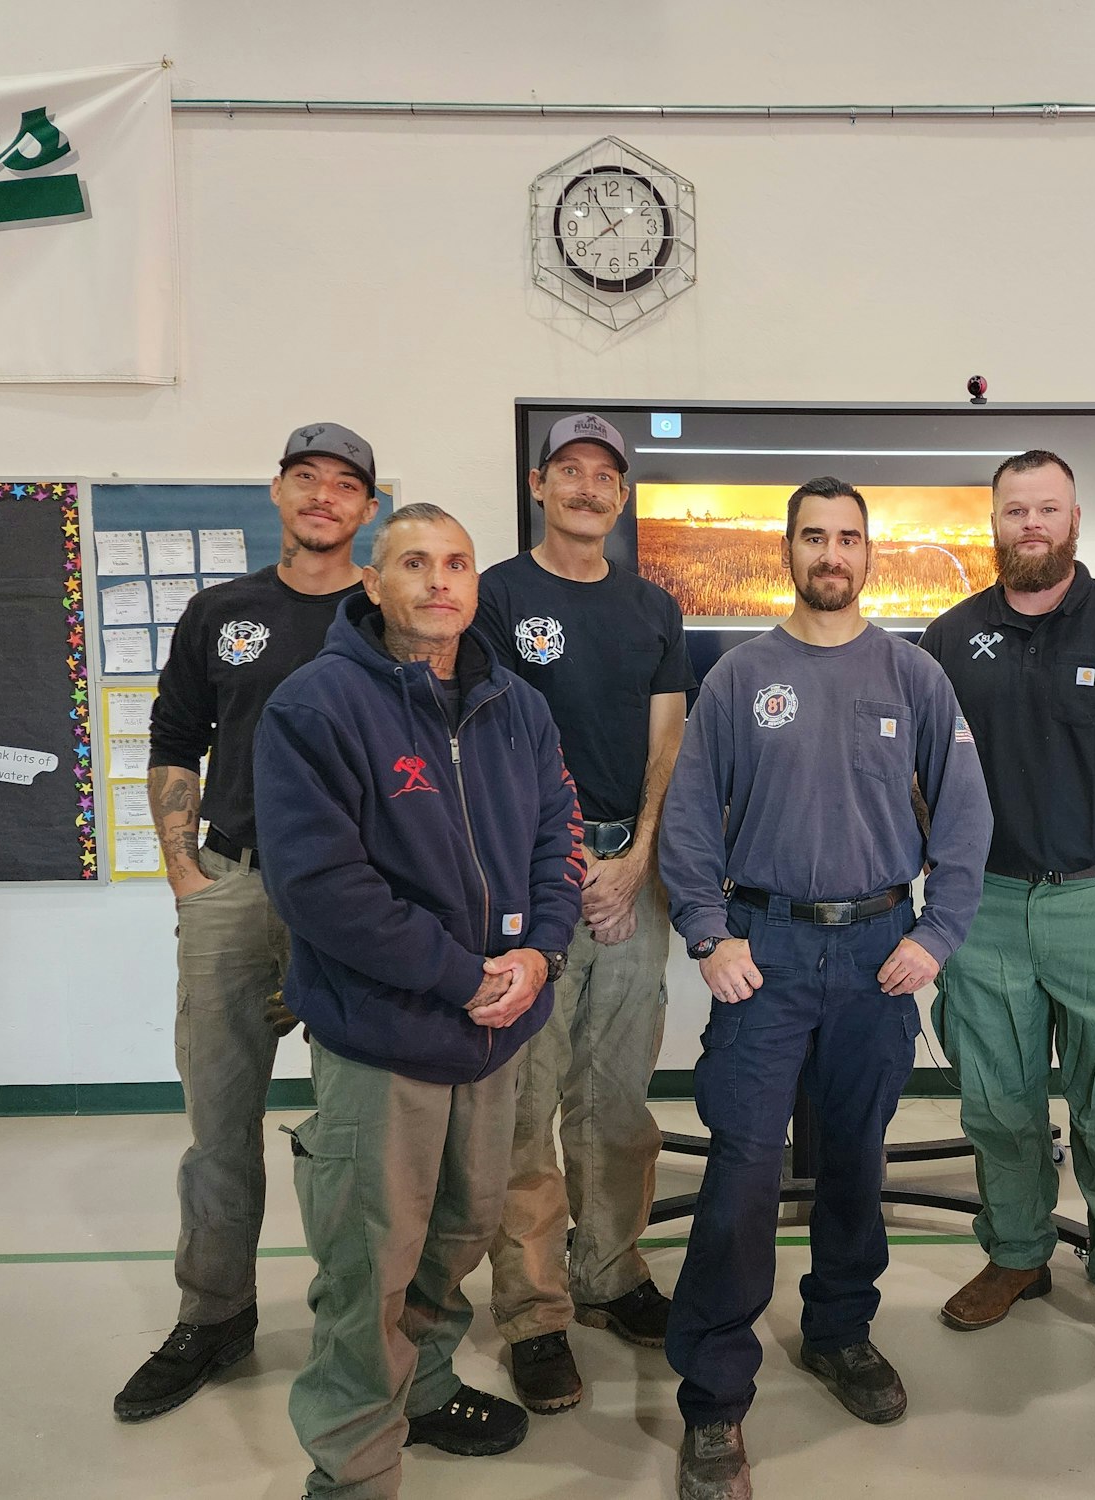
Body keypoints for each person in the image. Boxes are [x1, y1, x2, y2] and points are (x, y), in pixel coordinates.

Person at [658, 477, 991, 1500]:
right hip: (761, 953)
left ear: (868, 554)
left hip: (876, 953)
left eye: (848, 537)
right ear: (789, 551)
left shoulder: (914, 675)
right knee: (744, 1173)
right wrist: (707, 934)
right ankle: (714, 1398)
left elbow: (966, 819)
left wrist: (934, 935)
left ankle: (839, 1332)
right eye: (814, 537)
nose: (831, 553)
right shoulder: (738, 677)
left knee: (853, 1161)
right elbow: (688, 823)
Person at [253, 503, 586, 1499]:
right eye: (413, 563)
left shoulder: (515, 706)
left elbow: (553, 842)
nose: (438, 581)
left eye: (454, 563)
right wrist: (462, 974)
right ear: (373, 582)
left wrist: (539, 960)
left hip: (494, 1039)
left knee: (455, 1240)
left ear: (474, 584)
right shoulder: (315, 709)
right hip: (383, 1040)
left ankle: (429, 1388)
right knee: (369, 1266)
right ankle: (354, 1471)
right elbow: (321, 890)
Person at [919, 449, 1095, 1389]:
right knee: (996, 1104)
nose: (1030, 525)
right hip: (988, 910)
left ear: (1075, 519)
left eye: (1048, 509)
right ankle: (1016, 1253)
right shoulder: (950, 639)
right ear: (993, 521)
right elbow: (921, 779)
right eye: (1015, 511)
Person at [117, 422, 380, 1422]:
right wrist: (186, 874)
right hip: (234, 886)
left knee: (351, 1130)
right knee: (219, 1127)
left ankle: (356, 1323)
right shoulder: (220, 612)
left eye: (345, 484)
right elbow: (175, 737)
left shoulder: (386, 615)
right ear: (277, 492)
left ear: (368, 507)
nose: (323, 496)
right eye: (305, 478)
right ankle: (215, 1316)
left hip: (355, 906)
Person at [472, 413, 696, 1412]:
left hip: (631, 873)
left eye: (604, 475)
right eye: (569, 470)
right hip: (530, 880)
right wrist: (565, 863)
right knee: (528, 1104)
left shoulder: (653, 608)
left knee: (617, 1097)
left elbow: (668, 734)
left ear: (620, 494)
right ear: (538, 483)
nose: (587, 488)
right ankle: (533, 1310)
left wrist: (639, 852)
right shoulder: (491, 601)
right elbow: (483, 745)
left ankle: (610, 1272)